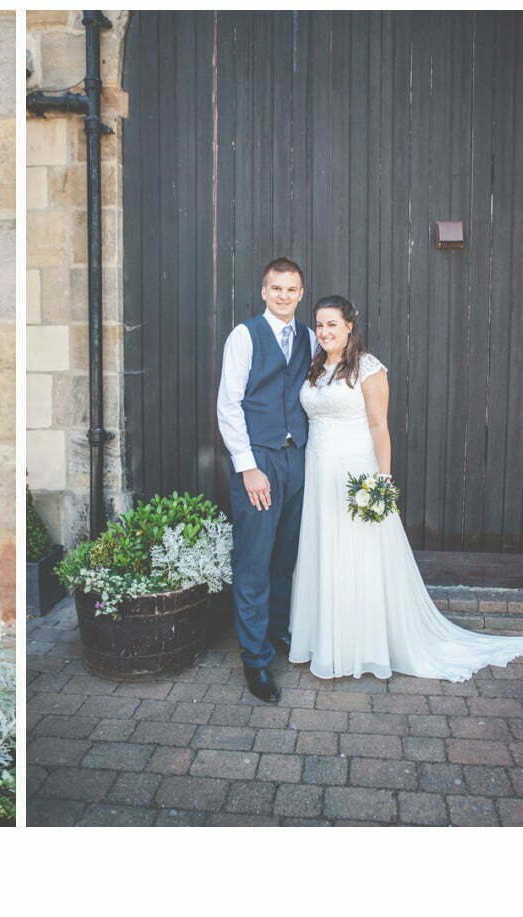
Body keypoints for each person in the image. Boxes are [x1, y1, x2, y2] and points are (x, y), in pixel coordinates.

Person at [287, 296, 523, 680]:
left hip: (355, 472)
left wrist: (382, 482)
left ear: (349, 327)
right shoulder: (315, 368)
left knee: (360, 555)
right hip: (318, 470)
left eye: (332, 324)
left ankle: (363, 645)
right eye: (320, 325)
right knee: (324, 550)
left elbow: (379, 427)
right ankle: (327, 641)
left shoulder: (368, 368)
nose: (324, 332)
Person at [216, 256, 314, 704]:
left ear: (300, 293)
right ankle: (254, 660)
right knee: (254, 562)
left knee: (284, 558)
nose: (284, 296)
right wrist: (247, 465)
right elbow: (228, 405)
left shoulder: (310, 338)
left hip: (298, 461)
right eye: (276, 288)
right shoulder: (245, 336)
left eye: (291, 289)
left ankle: (276, 636)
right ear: (263, 291)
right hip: (259, 463)